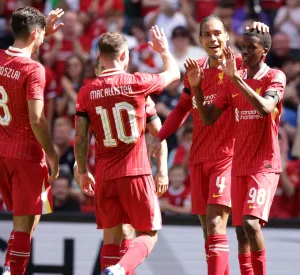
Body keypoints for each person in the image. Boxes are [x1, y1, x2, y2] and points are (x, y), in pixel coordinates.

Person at [151, 16, 269, 275]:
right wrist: (159, 136)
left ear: (227, 36)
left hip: (229, 157)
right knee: (208, 234)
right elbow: (182, 109)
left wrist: (260, 32)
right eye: (207, 35)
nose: (213, 39)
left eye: (218, 33)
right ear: (201, 39)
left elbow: (264, 65)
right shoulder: (196, 71)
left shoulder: (240, 65)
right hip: (199, 157)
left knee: (216, 225)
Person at [74, 27, 179, 275]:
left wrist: (82, 170)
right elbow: (174, 73)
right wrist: (163, 50)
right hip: (135, 171)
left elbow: (80, 137)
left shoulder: (86, 92)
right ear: (124, 56)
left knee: (112, 237)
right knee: (149, 233)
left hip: (105, 175)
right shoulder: (137, 84)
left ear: (100, 56)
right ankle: (121, 268)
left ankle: (114, 268)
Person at [189, 27, 286, 275]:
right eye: (243, 46)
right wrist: (197, 87)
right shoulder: (233, 79)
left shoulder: (274, 76)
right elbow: (208, 118)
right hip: (238, 165)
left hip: (264, 164)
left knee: (251, 224)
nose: (245, 51)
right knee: (241, 232)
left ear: (264, 51)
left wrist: (237, 80)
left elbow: (265, 107)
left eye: (251, 48)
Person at [0, 7, 64, 275]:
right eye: (41, 34)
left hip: (1, 151)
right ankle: (12, 271)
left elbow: (21, 65)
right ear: (34, 34)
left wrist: (44, 33)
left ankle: (10, 267)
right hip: (27, 154)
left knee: (26, 221)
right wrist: (52, 154)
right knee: (25, 225)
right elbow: (38, 118)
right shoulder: (35, 70)